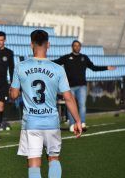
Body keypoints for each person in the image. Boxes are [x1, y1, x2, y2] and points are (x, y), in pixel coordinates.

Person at [9, 30, 82, 178]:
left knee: (34, 163)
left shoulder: (20, 67)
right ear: (48, 45)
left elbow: (14, 95)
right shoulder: (58, 69)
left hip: (31, 122)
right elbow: (68, 97)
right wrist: (78, 121)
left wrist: (12, 90)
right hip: (51, 122)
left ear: (31, 44)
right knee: (54, 158)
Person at [53, 40, 116, 132]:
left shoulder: (84, 58)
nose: (77, 47)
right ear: (72, 47)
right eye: (75, 45)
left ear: (80, 47)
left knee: (82, 105)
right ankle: (72, 124)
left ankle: (82, 123)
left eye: (78, 46)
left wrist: (106, 68)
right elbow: (56, 62)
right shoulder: (66, 58)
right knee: (71, 106)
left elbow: (94, 68)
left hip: (82, 86)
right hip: (69, 87)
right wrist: (43, 61)